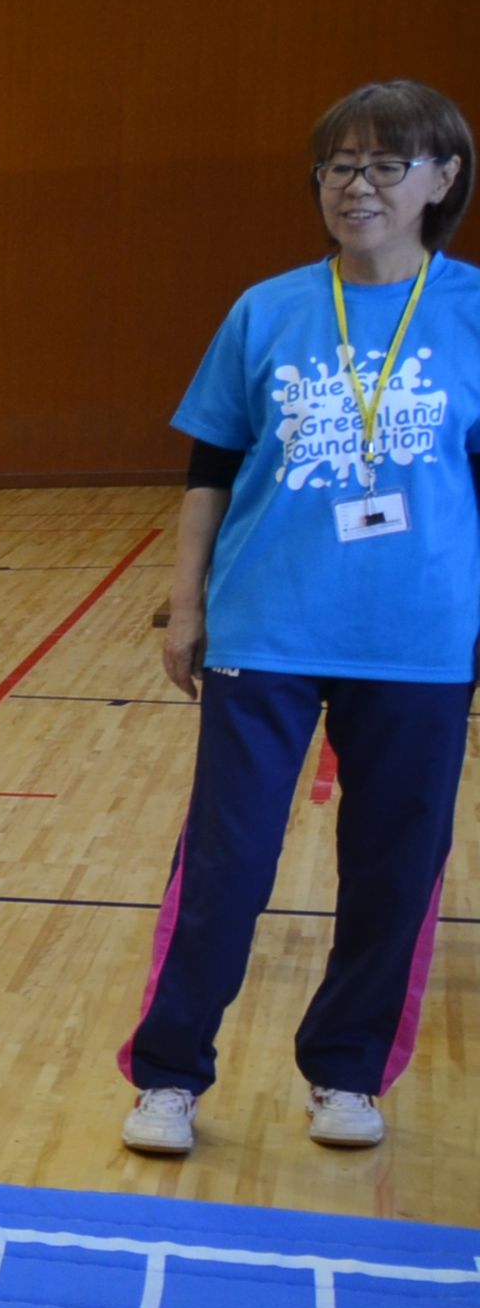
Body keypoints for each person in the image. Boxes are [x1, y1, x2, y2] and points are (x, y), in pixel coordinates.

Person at [124, 78, 472, 1157]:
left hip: (418, 640)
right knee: (225, 866)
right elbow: (209, 469)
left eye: (384, 164)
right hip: (266, 630)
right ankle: (171, 1076)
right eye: (338, 167)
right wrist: (188, 607)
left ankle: (348, 1073)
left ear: (441, 179)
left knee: (394, 866)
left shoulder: (471, 310)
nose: (356, 185)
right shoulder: (267, 309)